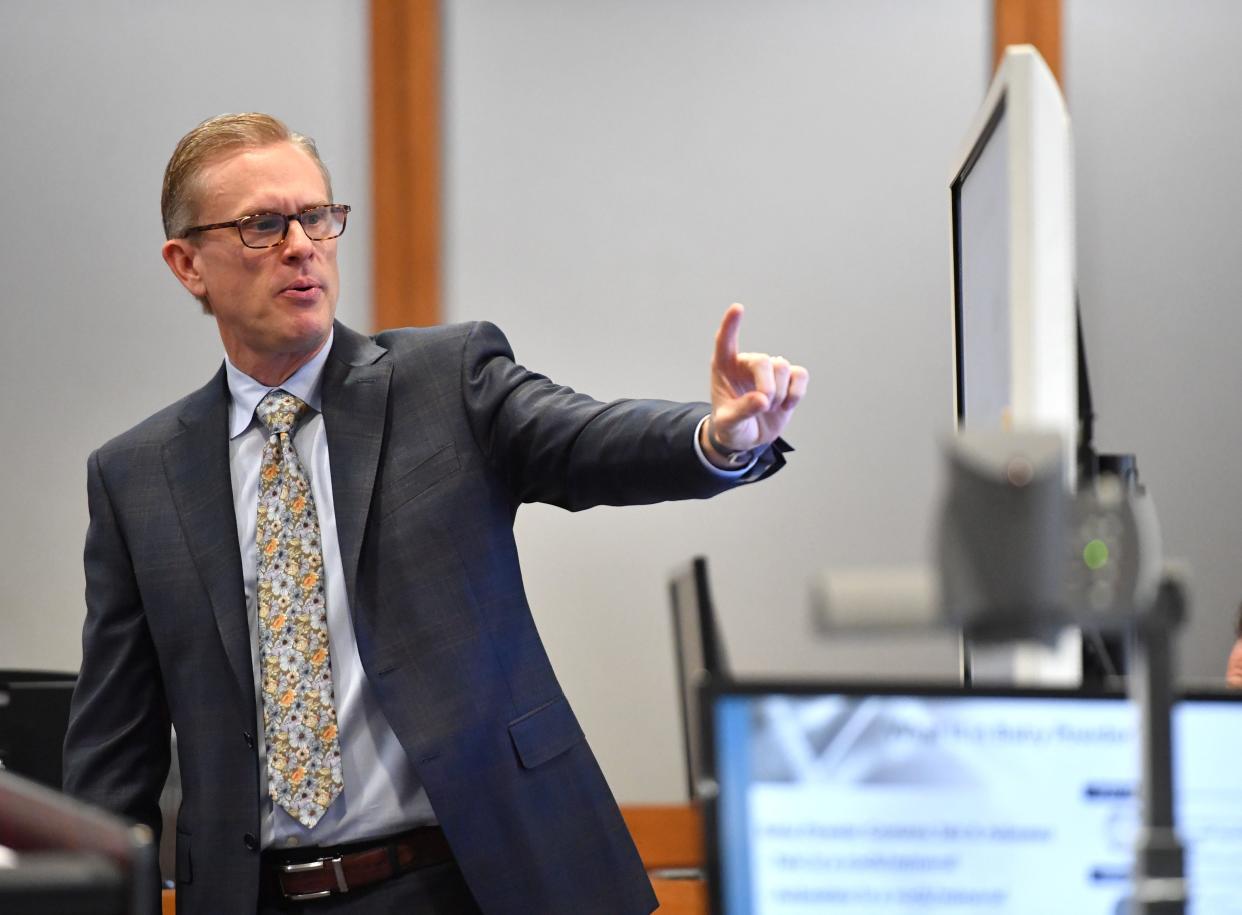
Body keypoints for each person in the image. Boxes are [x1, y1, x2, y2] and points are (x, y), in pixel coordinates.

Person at [63, 113, 808, 915]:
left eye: (316, 216)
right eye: (261, 225)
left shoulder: (443, 381)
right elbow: (113, 766)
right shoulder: (135, 478)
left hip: (475, 881)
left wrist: (716, 436)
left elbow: (585, 438)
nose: (301, 244)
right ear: (186, 264)